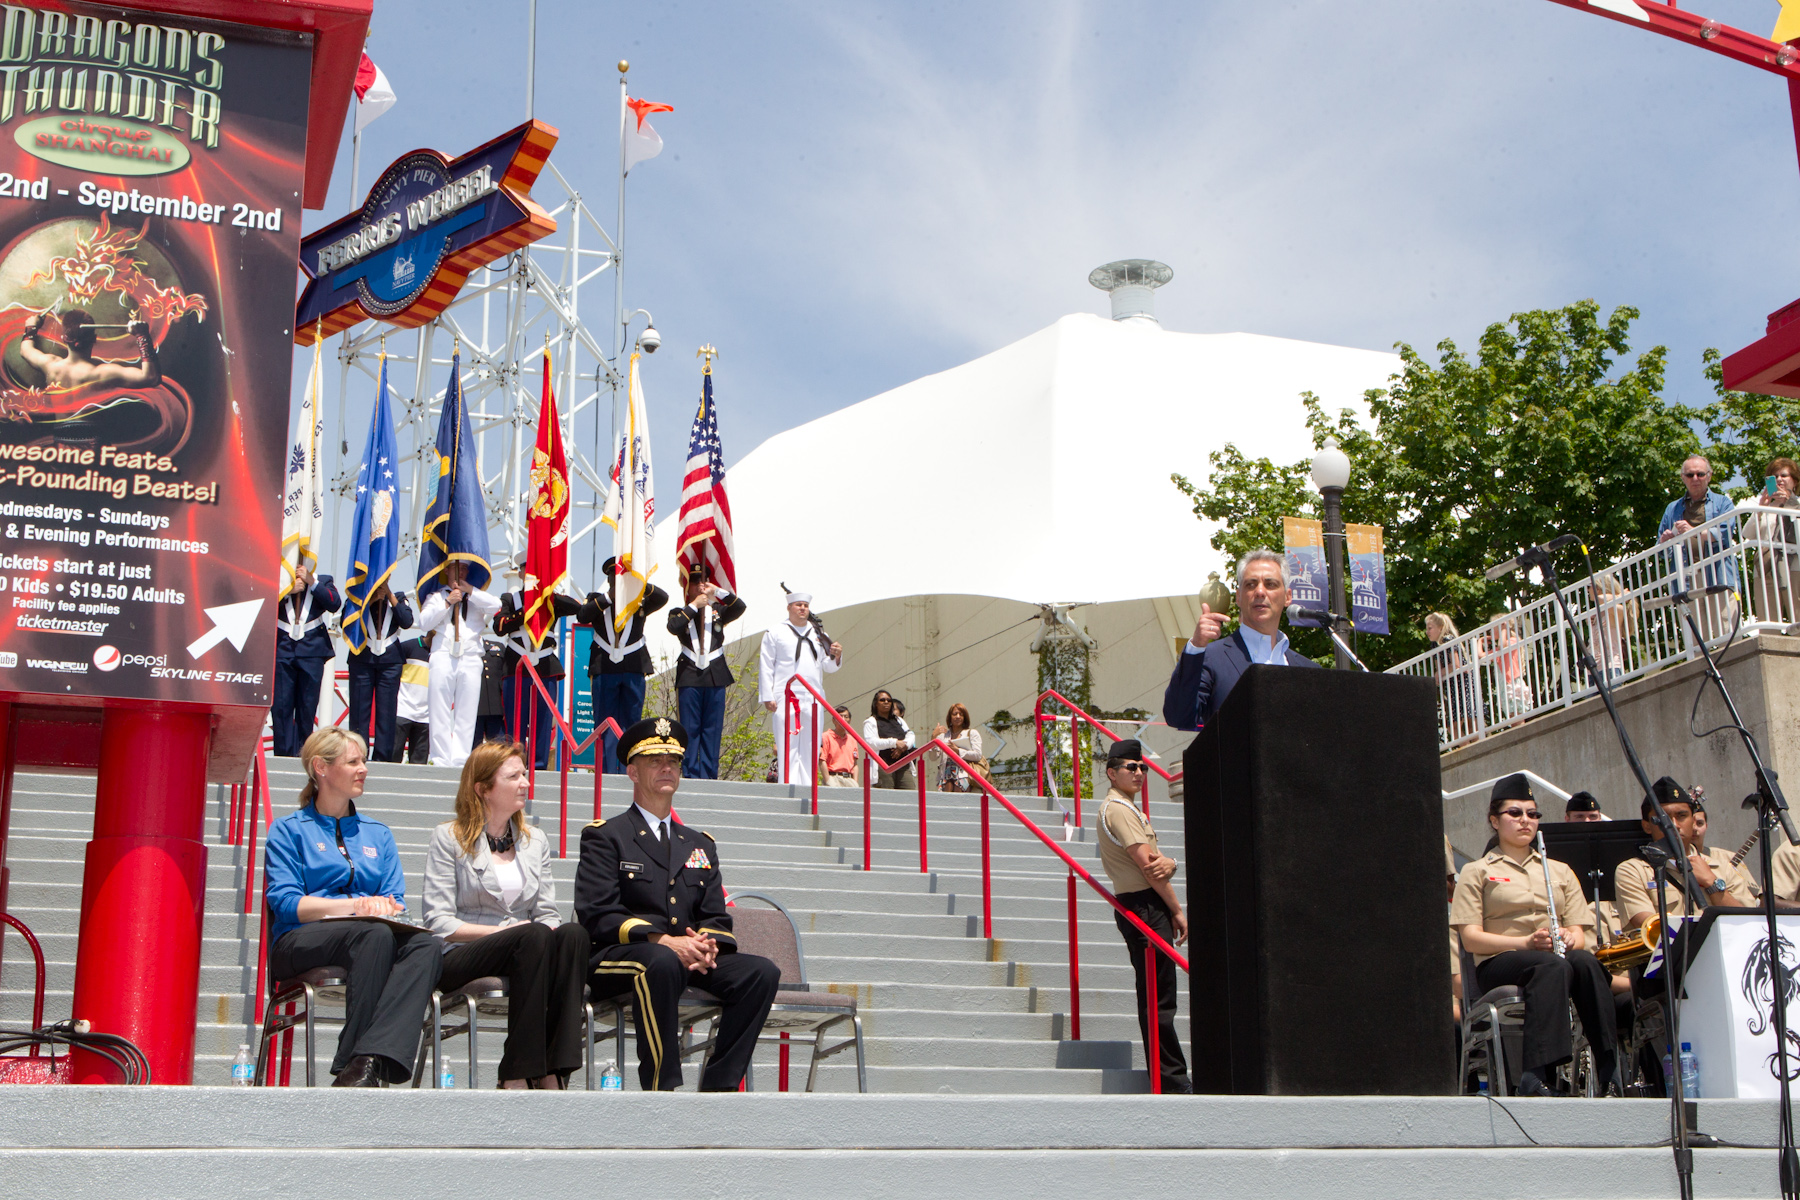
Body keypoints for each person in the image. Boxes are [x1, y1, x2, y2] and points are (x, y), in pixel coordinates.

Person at [573, 717, 780, 1091]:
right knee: (663, 962)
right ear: (632, 772)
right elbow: (598, 913)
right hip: (620, 956)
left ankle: (719, 1087)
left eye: (673, 761)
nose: (667, 768)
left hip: (683, 956)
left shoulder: (700, 843)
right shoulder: (606, 836)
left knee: (760, 972)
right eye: (655, 761)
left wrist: (704, 945)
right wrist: (664, 941)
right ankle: (661, 1086)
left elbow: (716, 914)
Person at [262, 727, 442, 1086]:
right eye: (353, 761)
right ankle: (356, 1060)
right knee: (372, 934)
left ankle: (368, 1060)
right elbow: (285, 903)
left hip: (370, 935)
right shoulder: (288, 830)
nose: (364, 769)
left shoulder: (378, 833)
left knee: (426, 944)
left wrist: (382, 909)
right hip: (299, 941)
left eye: (364, 761)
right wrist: (355, 906)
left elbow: (396, 901)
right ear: (321, 768)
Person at [421, 740, 591, 1089]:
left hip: (529, 947)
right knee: (533, 935)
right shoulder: (448, 838)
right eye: (514, 776)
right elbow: (439, 922)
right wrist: (508, 934)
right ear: (483, 788)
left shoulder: (535, 840)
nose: (526, 783)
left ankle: (554, 1071)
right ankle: (516, 1071)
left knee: (574, 935)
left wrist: (534, 931)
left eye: (525, 774)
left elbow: (546, 911)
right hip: (465, 952)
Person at [1450, 773, 1618, 1096]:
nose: (1525, 820)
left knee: (1585, 962)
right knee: (1552, 966)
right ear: (1494, 821)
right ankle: (1534, 1077)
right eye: (1515, 813)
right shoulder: (1476, 871)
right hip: (1500, 962)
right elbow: (1471, 939)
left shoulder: (1559, 870)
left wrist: (1570, 937)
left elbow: (1581, 934)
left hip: (1554, 960)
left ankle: (1610, 1071)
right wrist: (1524, 943)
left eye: (1532, 814)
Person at [1093, 739, 1191, 1094]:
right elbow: (1151, 866)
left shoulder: (1127, 807)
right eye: (1130, 767)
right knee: (1158, 997)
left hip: (1146, 903)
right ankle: (1171, 1081)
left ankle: (1169, 1078)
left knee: (1158, 995)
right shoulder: (1119, 809)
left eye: (1142, 767)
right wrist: (1177, 908)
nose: (1138, 772)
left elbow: (1156, 864)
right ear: (1111, 772)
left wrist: (1169, 865)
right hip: (1145, 906)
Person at [1162, 549, 1319, 733]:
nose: (1260, 591)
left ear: (1287, 597)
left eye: (1270, 584)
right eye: (1251, 585)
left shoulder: (1309, 671)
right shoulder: (1212, 658)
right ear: (1238, 597)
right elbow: (1179, 716)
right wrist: (1196, 645)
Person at [1613, 778, 1753, 932]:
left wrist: (1712, 883)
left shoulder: (1721, 867)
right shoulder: (1633, 871)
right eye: (1663, 817)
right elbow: (1650, 927)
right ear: (1647, 826)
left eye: (1681, 816)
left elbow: (1747, 921)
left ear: (1693, 821)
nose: (1674, 824)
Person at [577, 558, 669, 774]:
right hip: (605, 668)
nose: (619, 581)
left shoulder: (639, 600)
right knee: (605, 724)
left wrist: (637, 584)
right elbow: (582, 615)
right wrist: (610, 597)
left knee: (632, 723)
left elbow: (662, 597)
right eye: (616, 577)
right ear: (609, 579)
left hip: (633, 666)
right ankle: (607, 772)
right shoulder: (597, 600)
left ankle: (629, 769)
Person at [494, 576, 583, 770]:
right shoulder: (511, 599)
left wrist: (547, 597)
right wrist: (527, 609)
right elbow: (499, 626)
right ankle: (513, 764)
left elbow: (578, 608)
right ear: (521, 574)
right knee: (515, 719)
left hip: (545, 666)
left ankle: (539, 766)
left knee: (543, 722)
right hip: (517, 664)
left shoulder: (551, 600)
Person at [418, 561, 502, 768]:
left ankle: (461, 759)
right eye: (457, 568)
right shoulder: (436, 597)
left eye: (464, 569)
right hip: (444, 654)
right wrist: (447, 602)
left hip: (471, 656)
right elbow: (424, 623)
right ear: (446, 570)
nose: (461, 572)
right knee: (439, 708)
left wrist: (470, 591)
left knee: (467, 710)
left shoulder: (476, 598)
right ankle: (440, 759)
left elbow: (496, 605)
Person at [666, 565, 747, 780]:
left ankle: (709, 775)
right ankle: (691, 773)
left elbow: (739, 607)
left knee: (712, 730)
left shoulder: (718, 611)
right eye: (694, 582)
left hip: (714, 675)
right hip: (690, 675)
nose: (699, 585)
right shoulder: (680, 611)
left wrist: (717, 592)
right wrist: (693, 606)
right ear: (687, 586)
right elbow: (674, 626)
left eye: (703, 581)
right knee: (690, 729)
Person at [758, 589, 842, 787]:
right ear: (789, 607)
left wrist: (837, 655)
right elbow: (766, 664)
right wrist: (767, 695)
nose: (803, 608)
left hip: (813, 694)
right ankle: (787, 783)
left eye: (806, 605)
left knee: (811, 743)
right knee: (788, 741)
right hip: (786, 693)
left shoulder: (819, 633)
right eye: (798, 605)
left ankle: (808, 784)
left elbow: (827, 665)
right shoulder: (776, 632)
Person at [1657, 454, 1738, 647]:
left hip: (1717, 574)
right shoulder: (1672, 508)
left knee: (1726, 632)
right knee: (1695, 637)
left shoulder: (1722, 503)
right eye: (1690, 474)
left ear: (1709, 476)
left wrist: (1693, 532)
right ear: (1683, 478)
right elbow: (1660, 550)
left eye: (1700, 474)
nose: (1695, 478)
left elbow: (1725, 534)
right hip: (1686, 577)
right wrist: (1665, 541)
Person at [271, 562, 341, 757]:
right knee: (281, 708)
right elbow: (263, 602)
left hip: (312, 651)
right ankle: (282, 756)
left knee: (307, 708)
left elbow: (335, 603)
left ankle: (303, 755)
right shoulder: (278, 581)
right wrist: (286, 589)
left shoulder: (324, 580)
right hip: (282, 648)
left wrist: (313, 582)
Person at [345, 581, 415, 763]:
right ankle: (357, 754)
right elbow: (347, 618)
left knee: (386, 712)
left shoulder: (398, 597)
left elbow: (407, 621)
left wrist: (390, 596)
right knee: (359, 712)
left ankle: (383, 758)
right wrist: (368, 601)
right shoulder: (358, 595)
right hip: (362, 657)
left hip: (390, 660)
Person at [19, 310, 159, 390]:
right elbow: (151, 378)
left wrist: (31, 328)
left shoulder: (51, 365)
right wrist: (142, 335)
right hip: (94, 441)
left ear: (63, 338)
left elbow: (25, 351)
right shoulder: (103, 373)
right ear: (94, 339)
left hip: (60, 440)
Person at [1750, 456, 1800, 623]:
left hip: (1793, 566)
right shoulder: (1765, 507)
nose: (1779, 479)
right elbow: (1748, 533)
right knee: (1767, 619)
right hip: (1765, 567)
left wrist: (1789, 503)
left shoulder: (1798, 505)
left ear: (1794, 481)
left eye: (1784, 476)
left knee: (1797, 614)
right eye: (1775, 476)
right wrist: (1760, 508)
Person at [1424, 613, 1477, 744]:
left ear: (1440, 627)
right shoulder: (1435, 645)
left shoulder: (1448, 639)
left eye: (1430, 628)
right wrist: (1439, 674)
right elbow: (1439, 668)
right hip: (1452, 686)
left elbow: (1456, 664)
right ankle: (1469, 749)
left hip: (1462, 683)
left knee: (1466, 722)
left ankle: (1477, 748)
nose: (1427, 632)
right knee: (1456, 724)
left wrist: (1440, 672)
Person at [863, 690, 914, 789]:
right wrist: (894, 743)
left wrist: (903, 746)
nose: (886, 702)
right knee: (888, 797)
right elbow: (871, 742)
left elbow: (910, 734)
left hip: (903, 763)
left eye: (889, 700)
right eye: (882, 700)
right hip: (883, 765)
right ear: (876, 704)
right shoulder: (871, 722)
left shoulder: (898, 720)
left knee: (909, 794)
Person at [394, 632, 431, 765]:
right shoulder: (408, 647)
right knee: (393, 758)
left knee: (419, 765)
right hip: (402, 710)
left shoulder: (442, 653)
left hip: (426, 716)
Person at [933, 703, 983, 792]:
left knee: (959, 800)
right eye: (955, 714)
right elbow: (933, 757)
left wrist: (958, 751)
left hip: (964, 774)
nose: (958, 716)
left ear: (965, 718)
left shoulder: (972, 733)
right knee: (947, 801)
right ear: (950, 717)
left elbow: (977, 755)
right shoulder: (943, 736)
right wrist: (933, 737)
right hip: (946, 774)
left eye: (961, 714)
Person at [819, 704, 860, 786]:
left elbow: (855, 764)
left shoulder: (852, 739)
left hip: (849, 779)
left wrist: (855, 782)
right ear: (833, 720)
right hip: (833, 778)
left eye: (846, 717)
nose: (843, 719)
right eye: (840, 716)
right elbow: (822, 760)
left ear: (850, 720)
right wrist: (828, 780)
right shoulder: (826, 736)